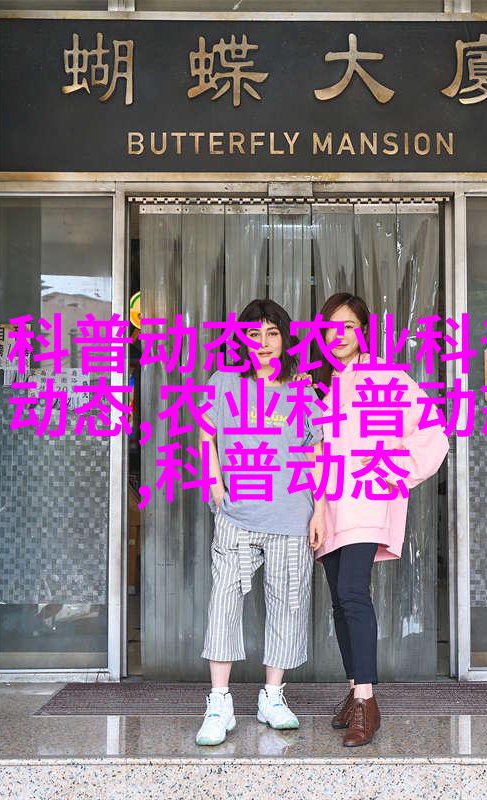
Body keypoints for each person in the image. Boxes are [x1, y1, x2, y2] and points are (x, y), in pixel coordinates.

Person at [313, 292, 449, 747]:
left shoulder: (387, 378)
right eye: (331, 327)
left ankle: (367, 703)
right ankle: (355, 690)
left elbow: (433, 433)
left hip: (365, 503)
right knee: (339, 600)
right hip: (326, 505)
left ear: (364, 331)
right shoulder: (318, 384)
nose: (339, 335)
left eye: (348, 326)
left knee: (354, 594)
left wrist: (390, 470)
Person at [195, 299, 325, 746]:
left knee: (288, 603)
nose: (264, 343)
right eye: (254, 334)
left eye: (273, 333)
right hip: (236, 515)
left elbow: (316, 451)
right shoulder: (224, 381)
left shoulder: (302, 389)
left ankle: (272, 696)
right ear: (242, 339)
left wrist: (320, 510)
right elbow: (206, 436)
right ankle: (219, 702)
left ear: (285, 339)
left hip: (291, 515)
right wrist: (216, 489)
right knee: (223, 602)